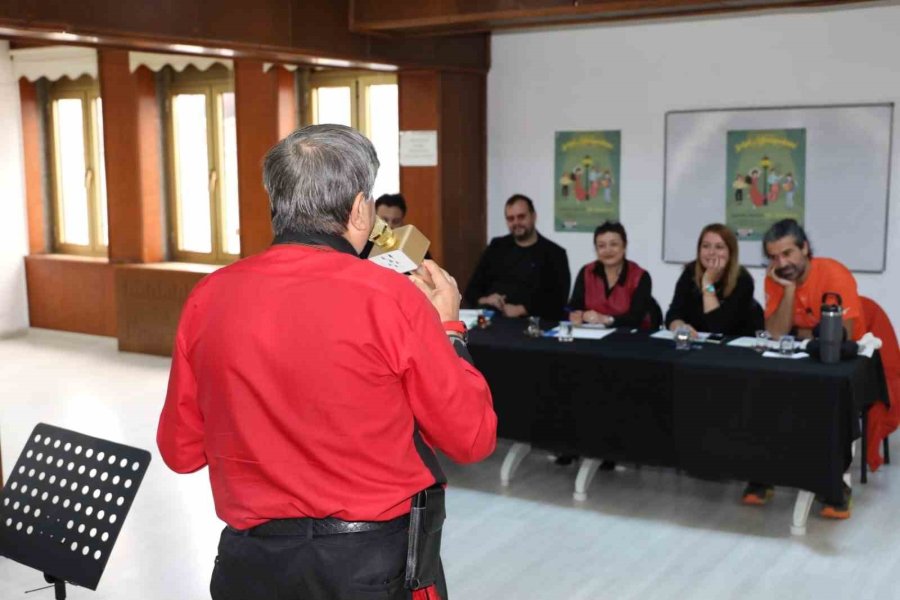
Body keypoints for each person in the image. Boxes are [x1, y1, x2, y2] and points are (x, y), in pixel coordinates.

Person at [157, 124, 497, 600]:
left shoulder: (209, 296)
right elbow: (471, 437)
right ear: (360, 210)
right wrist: (449, 331)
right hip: (367, 567)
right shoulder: (390, 298)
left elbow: (181, 450)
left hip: (251, 567)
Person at [743, 218, 863, 519]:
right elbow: (775, 333)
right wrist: (787, 292)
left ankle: (833, 486)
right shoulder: (776, 278)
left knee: (823, 401)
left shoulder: (834, 273)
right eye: (773, 257)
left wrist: (800, 333)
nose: (781, 263)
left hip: (840, 362)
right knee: (756, 389)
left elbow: (841, 334)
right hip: (796, 360)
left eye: (787, 254)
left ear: (805, 248)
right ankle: (763, 474)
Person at [464, 194, 571, 320]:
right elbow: (471, 291)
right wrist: (486, 299)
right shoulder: (496, 247)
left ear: (533, 216)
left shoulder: (555, 254)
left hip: (535, 327)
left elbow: (558, 301)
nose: (516, 223)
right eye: (510, 219)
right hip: (493, 322)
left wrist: (522, 309)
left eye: (521, 217)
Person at [666, 223, 760, 337]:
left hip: (732, 348)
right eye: (706, 246)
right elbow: (673, 314)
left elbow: (718, 328)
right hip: (697, 345)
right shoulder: (690, 272)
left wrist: (708, 283)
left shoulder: (743, 279)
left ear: (730, 252)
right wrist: (679, 326)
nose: (711, 252)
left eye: (719, 247)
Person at [569, 221, 654, 329]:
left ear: (624, 246)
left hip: (629, 338)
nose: (608, 250)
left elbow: (636, 318)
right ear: (596, 249)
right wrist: (578, 315)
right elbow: (575, 306)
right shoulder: (586, 272)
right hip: (591, 336)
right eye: (601, 246)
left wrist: (605, 319)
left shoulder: (640, 276)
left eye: (614, 244)